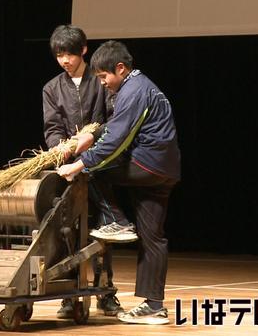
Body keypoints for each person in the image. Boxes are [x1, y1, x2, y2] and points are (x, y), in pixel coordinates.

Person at [57, 40, 181, 325]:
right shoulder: (141, 86)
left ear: (121, 69)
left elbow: (117, 141)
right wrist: (94, 133)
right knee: (153, 236)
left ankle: (117, 220)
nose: (102, 84)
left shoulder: (134, 91)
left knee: (92, 171)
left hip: (147, 164)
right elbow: (116, 127)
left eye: (104, 77)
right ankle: (154, 306)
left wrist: (79, 163)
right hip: (165, 170)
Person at [42, 25, 126, 318]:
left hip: (99, 164)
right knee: (68, 230)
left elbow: (113, 121)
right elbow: (52, 129)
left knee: (102, 230)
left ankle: (106, 293)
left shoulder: (100, 80)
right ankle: (68, 295)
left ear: (84, 50)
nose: (65, 60)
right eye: (59, 55)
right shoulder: (52, 88)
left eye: (70, 54)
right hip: (68, 167)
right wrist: (61, 148)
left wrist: (92, 140)